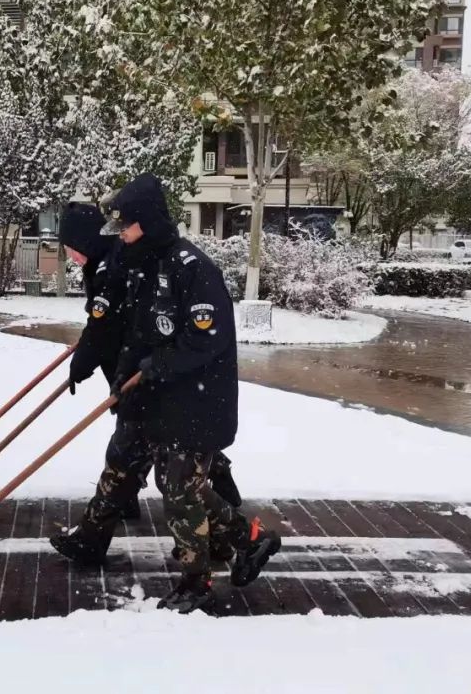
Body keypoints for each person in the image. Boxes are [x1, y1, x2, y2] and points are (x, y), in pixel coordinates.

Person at [51, 175, 281, 614]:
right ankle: (249, 540)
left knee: (178, 487)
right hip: (164, 397)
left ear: (148, 221)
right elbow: (134, 334)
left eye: (127, 226)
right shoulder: (146, 265)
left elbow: (205, 339)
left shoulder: (192, 268)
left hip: (199, 400)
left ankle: (197, 582)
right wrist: (123, 376)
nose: (121, 235)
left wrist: (155, 366)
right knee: (178, 485)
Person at [55, 201, 244, 533]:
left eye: (71, 247)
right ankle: (121, 509)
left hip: (144, 370)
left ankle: (232, 527)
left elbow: (104, 325)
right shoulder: (108, 259)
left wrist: (85, 360)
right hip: (136, 365)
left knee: (151, 452)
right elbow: (102, 322)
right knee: (151, 450)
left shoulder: (114, 265)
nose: (70, 256)